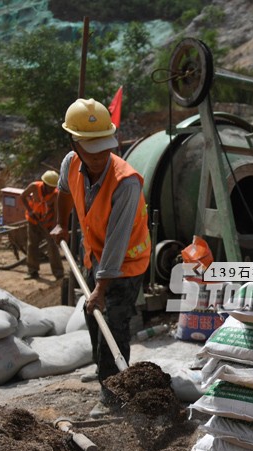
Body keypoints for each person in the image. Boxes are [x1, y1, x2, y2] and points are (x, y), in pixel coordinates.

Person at [50, 98, 151, 418]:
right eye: (90, 150)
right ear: (75, 144)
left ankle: (114, 394)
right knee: (94, 316)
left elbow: (118, 241)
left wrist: (101, 288)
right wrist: (59, 225)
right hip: (94, 255)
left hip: (126, 261)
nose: (98, 157)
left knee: (114, 323)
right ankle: (103, 372)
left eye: (104, 148)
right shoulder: (70, 164)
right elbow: (64, 192)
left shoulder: (126, 181)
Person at [20, 170, 64, 280]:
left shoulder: (55, 195)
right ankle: (32, 271)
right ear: (44, 184)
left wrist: (53, 228)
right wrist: (30, 211)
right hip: (33, 222)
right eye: (50, 187)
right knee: (32, 245)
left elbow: (56, 214)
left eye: (54, 187)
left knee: (53, 247)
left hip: (48, 224)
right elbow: (22, 196)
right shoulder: (34, 187)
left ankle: (58, 273)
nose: (52, 189)